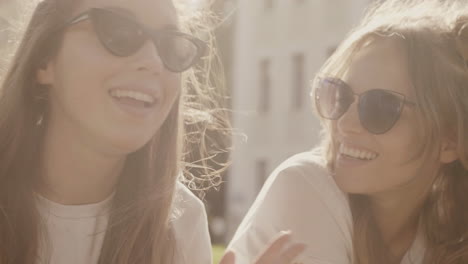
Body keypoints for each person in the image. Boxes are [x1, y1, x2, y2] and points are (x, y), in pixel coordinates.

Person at [227, 0, 468, 263]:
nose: (344, 123)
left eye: (380, 107)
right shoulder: (305, 185)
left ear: (450, 141)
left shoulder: (443, 234)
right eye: (341, 95)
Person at [0, 0, 230, 263]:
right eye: (119, 32)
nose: (153, 62)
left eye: (170, 45)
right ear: (44, 59)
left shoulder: (182, 223)